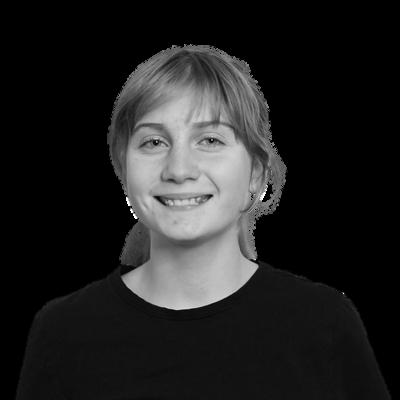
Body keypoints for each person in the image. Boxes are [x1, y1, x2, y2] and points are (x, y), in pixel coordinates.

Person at [16, 45, 390, 399]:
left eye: (210, 140)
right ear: (123, 169)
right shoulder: (63, 332)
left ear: (256, 173)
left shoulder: (323, 324)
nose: (179, 169)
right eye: (154, 142)